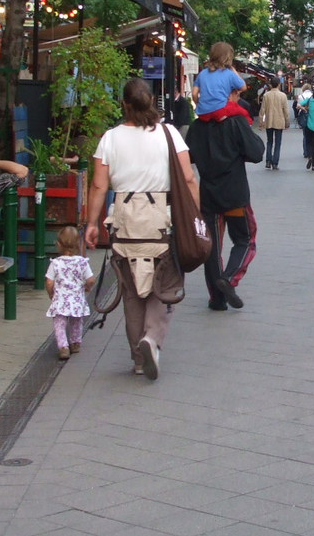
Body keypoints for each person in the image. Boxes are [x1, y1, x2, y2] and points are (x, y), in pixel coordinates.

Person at [85, 79, 199, 379]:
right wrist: (195, 216)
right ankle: (152, 339)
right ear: (152, 101)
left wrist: (91, 224)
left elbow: (99, 185)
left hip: (123, 220)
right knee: (163, 285)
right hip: (159, 219)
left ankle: (138, 358)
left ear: (124, 104)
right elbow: (187, 178)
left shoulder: (110, 138)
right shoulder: (169, 134)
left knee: (132, 292)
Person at [185, 85, 265, 312]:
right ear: (226, 95)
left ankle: (217, 298)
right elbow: (257, 152)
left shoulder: (197, 126)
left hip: (208, 195)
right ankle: (229, 278)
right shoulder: (235, 122)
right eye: (236, 94)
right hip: (235, 194)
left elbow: (187, 157)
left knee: (212, 247)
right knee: (245, 239)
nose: (238, 98)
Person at [44, 225, 94, 361]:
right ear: (79, 243)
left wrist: (50, 293)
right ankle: (76, 342)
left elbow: (49, 282)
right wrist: (87, 287)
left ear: (58, 244)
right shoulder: (82, 262)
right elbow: (90, 279)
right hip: (77, 299)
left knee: (59, 323)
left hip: (60, 299)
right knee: (77, 320)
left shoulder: (56, 263)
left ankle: (63, 347)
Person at [192, 41, 247, 120]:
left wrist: (198, 104)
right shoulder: (229, 74)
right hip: (220, 111)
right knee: (244, 113)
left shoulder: (202, 74)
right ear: (227, 57)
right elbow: (243, 87)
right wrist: (234, 70)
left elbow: (194, 94)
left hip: (203, 113)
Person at [259, 77, 291, 170]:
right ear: (279, 85)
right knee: (278, 143)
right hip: (279, 121)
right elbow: (286, 111)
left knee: (269, 142)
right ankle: (275, 163)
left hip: (269, 121)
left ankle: (268, 161)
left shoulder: (266, 95)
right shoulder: (283, 96)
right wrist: (287, 122)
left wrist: (261, 122)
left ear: (270, 85)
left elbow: (262, 110)